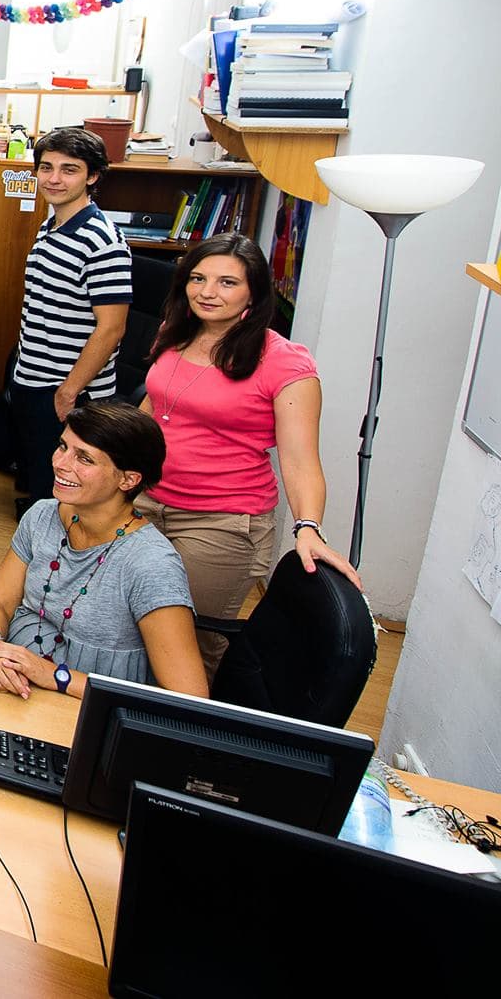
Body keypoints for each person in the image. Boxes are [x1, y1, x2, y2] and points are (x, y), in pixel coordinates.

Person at [139, 233, 361, 677]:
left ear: (254, 293)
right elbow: (155, 407)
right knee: (128, 620)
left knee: (188, 644)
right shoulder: (175, 332)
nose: (207, 292)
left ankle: (184, 722)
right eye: (198, 278)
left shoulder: (285, 362)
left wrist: (309, 526)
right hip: (145, 500)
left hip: (220, 522)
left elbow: (300, 460)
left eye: (227, 282)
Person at [0, 403, 209, 699]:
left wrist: (54, 676)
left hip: (87, 698)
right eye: (63, 446)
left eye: (84, 458)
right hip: (13, 666)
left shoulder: (152, 565)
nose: (60, 463)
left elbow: (188, 697)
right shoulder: (43, 515)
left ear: (128, 479)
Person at [11, 127, 131, 508]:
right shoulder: (51, 227)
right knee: (42, 486)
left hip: (68, 391)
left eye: (69, 169)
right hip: (34, 381)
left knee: (64, 494)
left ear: (92, 176)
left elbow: (112, 328)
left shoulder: (102, 241)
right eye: (46, 167)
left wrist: (68, 391)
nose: (54, 179)